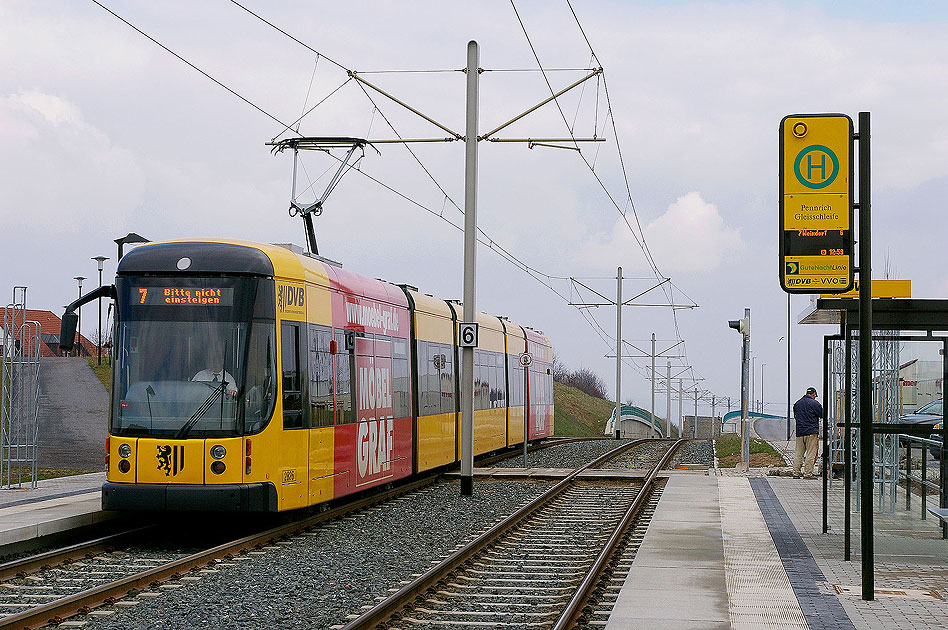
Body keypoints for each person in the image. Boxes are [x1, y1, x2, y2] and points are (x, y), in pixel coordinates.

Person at [793, 386, 823, 479]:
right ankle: (808, 474)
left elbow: (795, 416)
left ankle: (796, 473)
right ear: (814, 394)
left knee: (798, 453)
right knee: (811, 453)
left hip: (800, 432)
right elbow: (822, 415)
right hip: (811, 432)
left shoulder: (797, 403)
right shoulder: (815, 403)